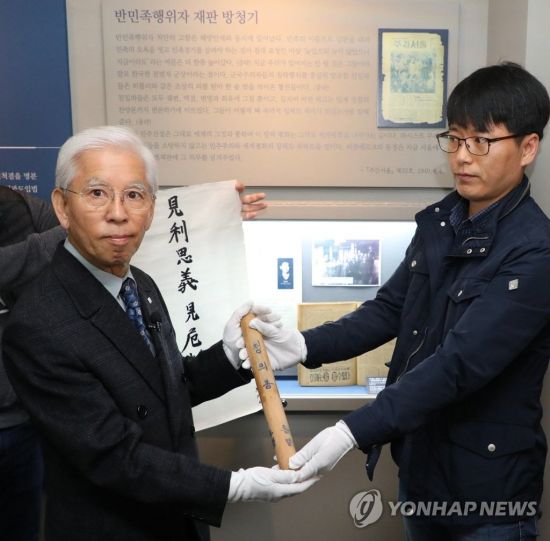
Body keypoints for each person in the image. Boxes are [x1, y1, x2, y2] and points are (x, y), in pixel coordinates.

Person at [251, 62, 550, 540]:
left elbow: (459, 364)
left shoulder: (535, 250)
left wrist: (351, 431)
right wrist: (304, 345)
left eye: (481, 141)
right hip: (422, 470)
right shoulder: (442, 223)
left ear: (528, 147)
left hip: (489, 493)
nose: (462, 156)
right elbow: (389, 309)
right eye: (455, 138)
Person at [2, 125, 317, 541]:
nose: (118, 212)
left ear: (152, 208)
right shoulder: (37, 324)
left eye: (134, 195)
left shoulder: (141, 284)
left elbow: (160, 390)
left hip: (176, 520)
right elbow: (113, 456)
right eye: (97, 193)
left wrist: (231, 357)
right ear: (62, 207)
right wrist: (231, 486)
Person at [0, 186, 64, 541]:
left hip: (23, 424)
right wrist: (63, 237)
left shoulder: (21, 208)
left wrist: (213, 211)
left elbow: (102, 235)